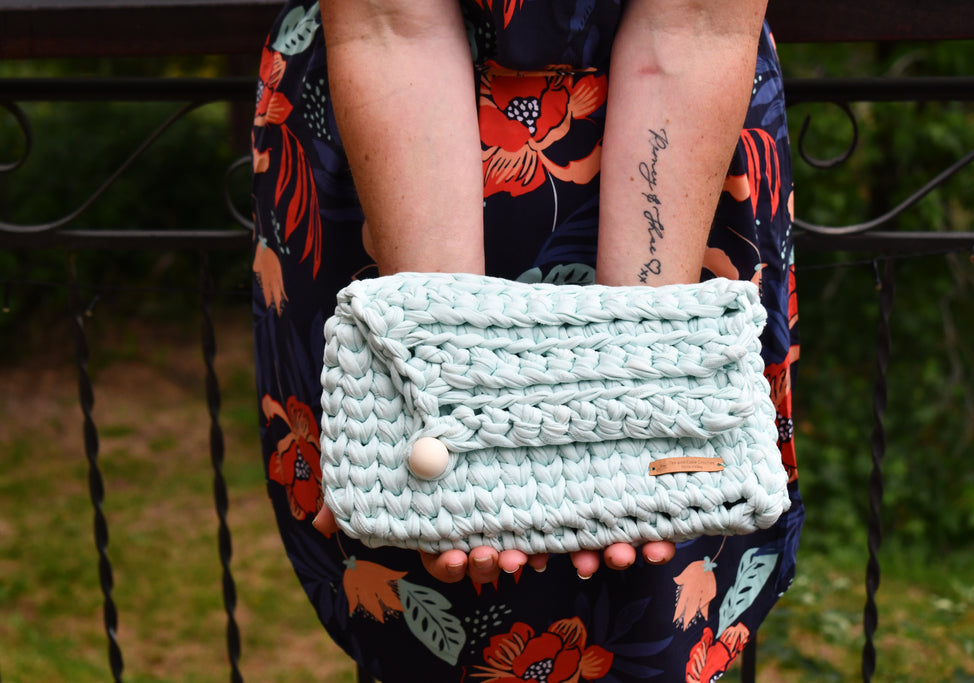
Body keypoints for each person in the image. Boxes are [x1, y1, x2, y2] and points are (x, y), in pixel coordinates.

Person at [252, 1, 803, 680]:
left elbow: (695, 19)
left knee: (656, 611)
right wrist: (454, 389)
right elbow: (389, 17)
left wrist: (640, 397)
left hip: (682, 138)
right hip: (396, 146)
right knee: (424, 603)